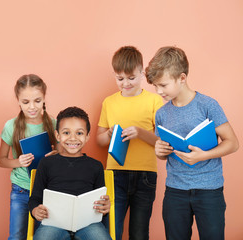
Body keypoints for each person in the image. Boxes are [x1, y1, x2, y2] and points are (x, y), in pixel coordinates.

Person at [145, 46, 239, 240]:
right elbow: (163, 155)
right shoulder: (162, 113)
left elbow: (233, 143)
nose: (158, 91)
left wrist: (203, 155)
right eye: (155, 86)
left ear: (182, 78)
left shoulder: (207, 105)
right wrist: (159, 150)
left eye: (163, 85)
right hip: (175, 191)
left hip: (209, 190)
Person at [96, 46, 163, 240]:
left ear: (142, 73)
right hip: (115, 174)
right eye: (120, 79)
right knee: (111, 229)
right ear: (114, 75)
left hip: (146, 175)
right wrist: (108, 134)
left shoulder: (154, 101)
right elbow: (99, 141)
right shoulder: (109, 102)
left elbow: (162, 142)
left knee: (139, 232)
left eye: (131, 78)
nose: (125, 83)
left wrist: (140, 133)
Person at [29, 106, 112, 240]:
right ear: (57, 135)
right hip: (53, 223)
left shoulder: (96, 166)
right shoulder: (46, 163)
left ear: (87, 136)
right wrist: (35, 210)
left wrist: (104, 208)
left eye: (79, 133)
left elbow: (100, 205)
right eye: (66, 133)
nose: (73, 138)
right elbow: (35, 198)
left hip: (88, 224)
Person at [0, 74, 57, 240]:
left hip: (46, 191)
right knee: (17, 236)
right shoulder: (11, 126)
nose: (32, 107)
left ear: (44, 98)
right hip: (21, 190)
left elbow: (63, 157)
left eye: (37, 101)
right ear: (18, 100)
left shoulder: (53, 124)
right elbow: (1, 160)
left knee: (42, 236)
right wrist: (18, 161)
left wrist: (55, 156)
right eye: (26, 102)